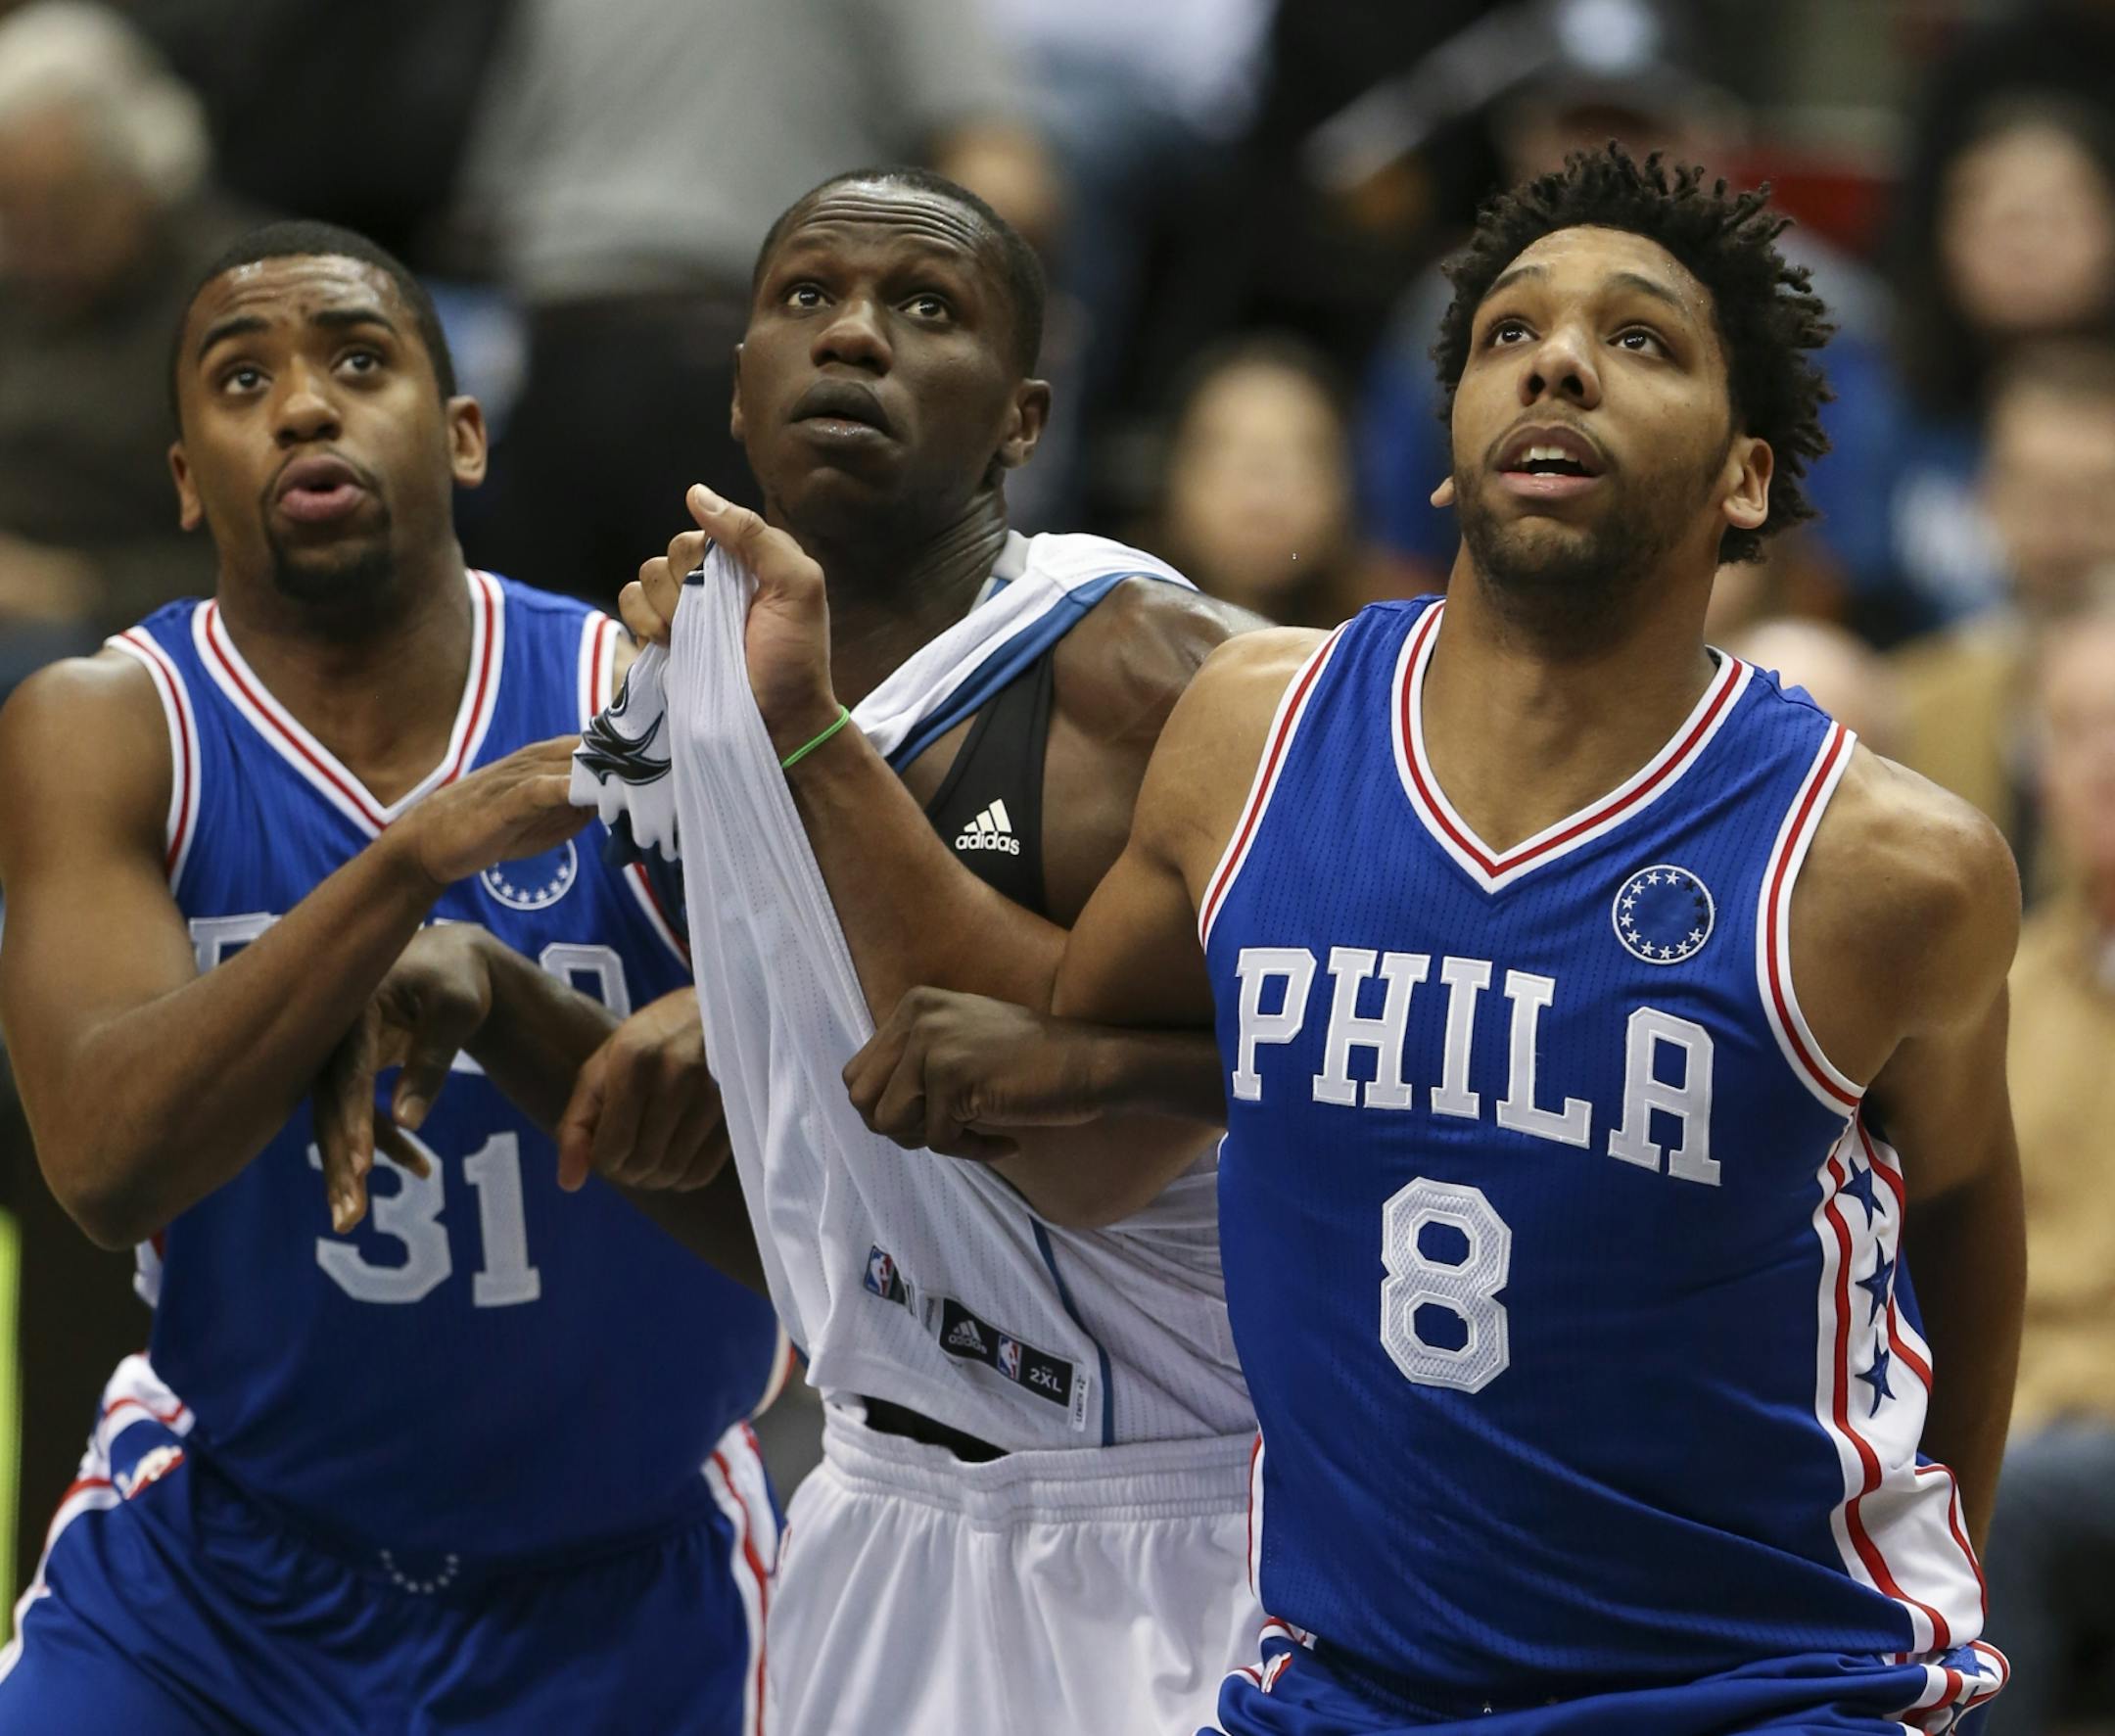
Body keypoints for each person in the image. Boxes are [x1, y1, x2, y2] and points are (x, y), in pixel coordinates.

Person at [833, 147, 2027, 1733]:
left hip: (1763, 1682)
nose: (1558, 359)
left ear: (1747, 475)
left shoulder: (1886, 864)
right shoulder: (1252, 731)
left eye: (1642, 340)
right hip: (1345, 1678)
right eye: (1508, 333)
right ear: (1454, 456)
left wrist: (1958, 1539)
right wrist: (789, 788)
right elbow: (1064, 1052)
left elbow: (1956, 1200)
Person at [0, 219, 784, 1733]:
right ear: (183, 478)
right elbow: (103, 1163)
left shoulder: (636, 699)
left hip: (626, 1582)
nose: (303, 405)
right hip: (218, 1578)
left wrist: (667, 1010)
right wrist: (408, 860)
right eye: (243, 379)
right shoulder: (109, 723)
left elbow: (811, 1206)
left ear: (465, 433)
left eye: (359, 361)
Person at [545, 165, 1269, 1734]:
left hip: (1188, 1512)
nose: (853, 338)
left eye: (922, 307)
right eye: (806, 298)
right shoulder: (679, 686)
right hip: (879, 1499)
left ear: (1022, 418)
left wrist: (805, 737)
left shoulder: (1153, 671)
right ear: (740, 389)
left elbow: (1077, 1153)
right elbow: (835, 1212)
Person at [1981, 603, 2115, 1733]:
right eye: (2079, 732)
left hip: (2067, 1442)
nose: (2107, 764)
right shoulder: (2000, 992)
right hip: (2020, 1417)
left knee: (2015, 1500)